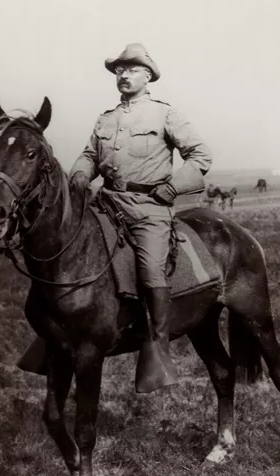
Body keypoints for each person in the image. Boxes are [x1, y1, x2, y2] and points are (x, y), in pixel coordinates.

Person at [68, 43, 212, 391]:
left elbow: (200, 155)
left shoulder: (164, 114)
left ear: (147, 76)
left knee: (150, 269)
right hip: (107, 202)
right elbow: (89, 154)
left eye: (131, 69)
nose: (123, 74)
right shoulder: (106, 119)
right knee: (72, 256)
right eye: (119, 69)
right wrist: (80, 175)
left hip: (149, 207)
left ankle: (158, 348)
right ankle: (57, 335)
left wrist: (173, 187)